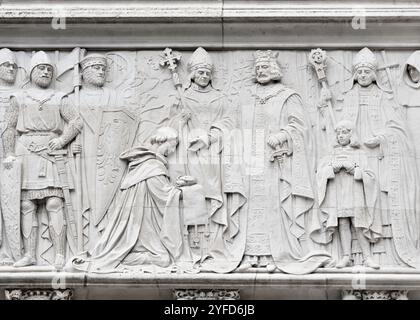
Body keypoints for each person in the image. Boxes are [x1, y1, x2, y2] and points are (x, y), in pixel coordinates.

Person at [321, 47, 420, 268]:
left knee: (371, 206)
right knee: (349, 210)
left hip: (376, 157)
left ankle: (378, 252)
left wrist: (382, 137)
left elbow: (398, 127)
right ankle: (349, 254)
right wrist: (324, 104)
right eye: (360, 72)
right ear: (355, 74)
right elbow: (335, 129)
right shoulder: (348, 97)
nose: (364, 75)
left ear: (373, 74)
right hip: (350, 158)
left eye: (367, 71)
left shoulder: (383, 97)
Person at [238, 50, 330, 274]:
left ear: (274, 69)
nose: (261, 71)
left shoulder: (287, 96)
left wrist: (283, 135)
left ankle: (274, 253)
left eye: (265, 67)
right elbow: (234, 125)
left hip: (277, 162)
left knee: (275, 206)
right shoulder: (246, 96)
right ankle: (251, 254)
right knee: (251, 209)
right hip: (250, 162)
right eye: (258, 68)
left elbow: (300, 127)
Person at [69, 127, 207, 272]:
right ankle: (122, 256)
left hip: (145, 227)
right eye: (172, 146)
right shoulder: (152, 165)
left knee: (163, 259)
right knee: (164, 260)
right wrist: (190, 190)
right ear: (162, 141)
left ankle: (122, 255)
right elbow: (164, 195)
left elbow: (161, 191)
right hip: (139, 229)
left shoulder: (144, 163)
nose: (172, 151)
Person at [2, 51, 83, 268]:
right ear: (32, 72)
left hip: (50, 151)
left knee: (54, 202)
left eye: (49, 69)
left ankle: (59, 254)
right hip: (25, 150)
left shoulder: (59, 97)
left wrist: (62, 140)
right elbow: (8, 128)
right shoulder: (18, 98)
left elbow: (76, 121)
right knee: (27, 204)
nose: (46, 71)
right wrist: (9, 153)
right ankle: (29, 254)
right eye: (41, 68)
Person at [316, 120, 381, 268]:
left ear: (351, 134)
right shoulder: (331, 153)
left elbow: (370, 175)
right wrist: (332, 168)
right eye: (338, 133)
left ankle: (367, 257)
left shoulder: (360, 153)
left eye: (344, 132)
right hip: (338, 193)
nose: (341, 136)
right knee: (343, 223)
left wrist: (355, 170)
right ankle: (346, 256)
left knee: (358, 223)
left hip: (355, 192)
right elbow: (320, 173)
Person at [0, 48, 19, 265]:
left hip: (9, 154)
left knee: (10, 200)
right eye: (6, 65)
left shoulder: (17, 96)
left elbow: (11, 127)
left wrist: (10, 153)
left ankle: (9, 251)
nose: (11, 69)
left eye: (14, 65)